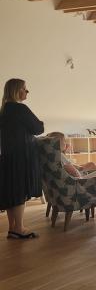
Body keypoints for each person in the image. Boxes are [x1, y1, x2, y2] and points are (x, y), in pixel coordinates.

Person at [0, 79, 44, 239]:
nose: (27, 92)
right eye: (25, 89)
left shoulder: (4, 110)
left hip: (7, 156)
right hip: (21, 156)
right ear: (17, 91)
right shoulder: (20, 108)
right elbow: (38, 128)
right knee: (19, 191)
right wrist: (41, 123)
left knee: (11, 191)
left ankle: (12, 228)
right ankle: (19, 228)